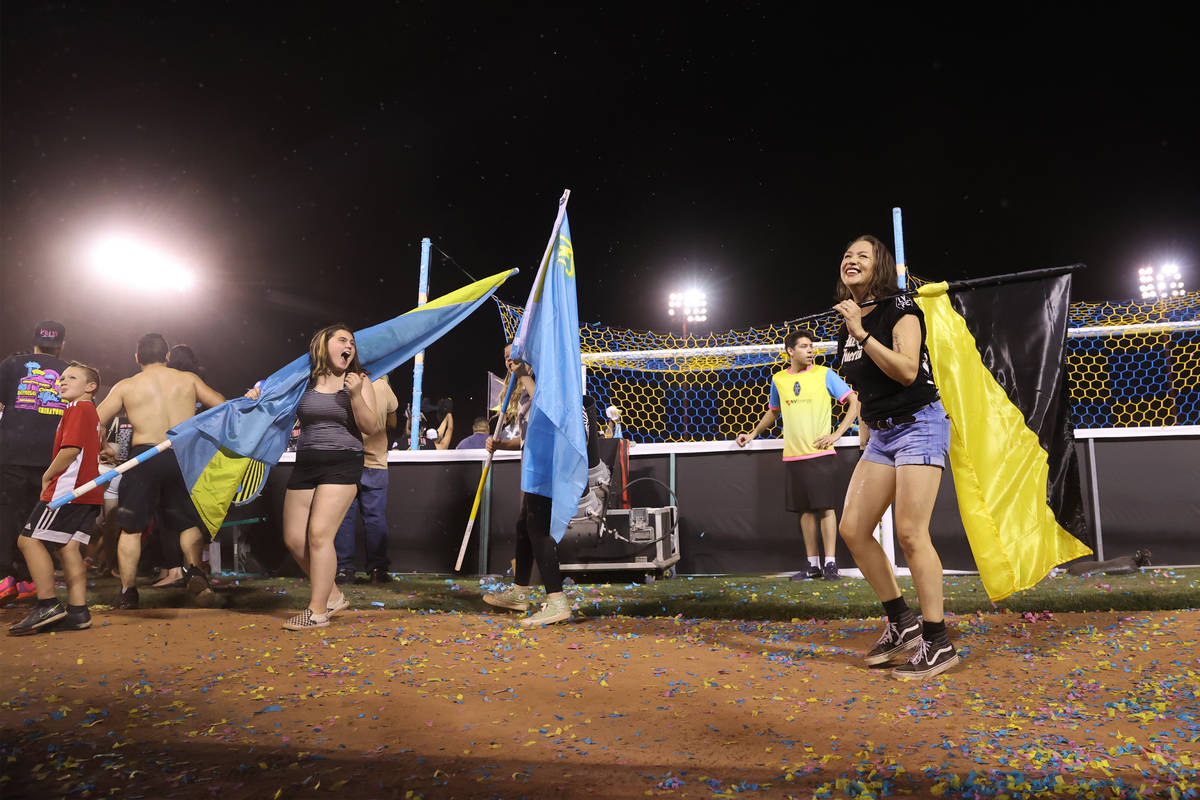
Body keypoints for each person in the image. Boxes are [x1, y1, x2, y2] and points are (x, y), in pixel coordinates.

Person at [831, 234, 959, 681]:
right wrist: (866, 437)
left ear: (879, 266)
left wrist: (861, 332)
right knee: (853, 528)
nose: (852, 260)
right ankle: (902, 621)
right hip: (882, 436)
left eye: (862, 256)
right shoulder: (847, 322)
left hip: (919, 422)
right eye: (847, 255)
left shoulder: (900, 309)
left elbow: (906, 371)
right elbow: (864, 389)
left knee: (909, 533)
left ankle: (938, 641)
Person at [248, 324, 378, 630]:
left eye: (352, 342)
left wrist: (356, 394)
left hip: (343, 461)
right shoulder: (302, 382)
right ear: (323, 344)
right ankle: (332, 594)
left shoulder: (359, 380)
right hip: (307, 462)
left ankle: (317, 611)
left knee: (319, 535)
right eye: (342, 340)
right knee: (294, 539)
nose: (349, 346)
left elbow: (371, 427)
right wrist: (257, 394)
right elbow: (272, 405)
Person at [96, 333, 225, 609]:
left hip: (144, 457)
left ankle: (128, 592)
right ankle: (194, 570)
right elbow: (222, 406)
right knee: (187, 522)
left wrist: (104, 444)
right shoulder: (187, 379)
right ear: (167, 356)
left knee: (130, 530)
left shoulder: (127, 385)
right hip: (181, 454)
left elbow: (94, 420)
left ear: (136, 358)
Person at [736, 328, 860, 581]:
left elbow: (855, 401)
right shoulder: (779, 379)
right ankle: (812, 565)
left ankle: (831, 564)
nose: (810, 350)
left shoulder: (825, 374)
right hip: (793, 455)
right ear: (790, 351)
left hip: (820, 455)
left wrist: (837, 434)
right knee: (804, 511)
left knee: (825, 509)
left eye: (811, 346)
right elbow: (773, 412)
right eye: (804, 346)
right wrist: (752, 434)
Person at [480, 344, 577, 628]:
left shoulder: (542, 384)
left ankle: (557, 600)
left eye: (516, 353)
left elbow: (548, 416)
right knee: (525, 527)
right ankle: (520, 592)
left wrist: (524, 376)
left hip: (548, 468)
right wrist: (501, 444)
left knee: (537, 530)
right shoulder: (524, 393)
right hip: (534, 468)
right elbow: (526, 440)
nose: (509, 358)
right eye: (506, 354)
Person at [8, 363, 104, 635]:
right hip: (87, 491)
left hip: (67, 490)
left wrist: (47, 476)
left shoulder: (76, 409)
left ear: (90, 386)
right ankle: (77, 611)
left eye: (71, 378)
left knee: (28, 540)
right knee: (68, 548)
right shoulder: (90, 412)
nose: (62, 382)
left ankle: (47, 604)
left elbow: (70, 450)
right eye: (61, 378)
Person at [0, 321, 70, 605]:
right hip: (52, 457)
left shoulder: (12, 364)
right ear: (62, 344)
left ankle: (5, 578)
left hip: (13, 452)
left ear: (34, 341)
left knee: (7, 514)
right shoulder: (71, 370)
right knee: (38, 518)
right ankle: (29, 580)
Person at [333, 374, 398, 585]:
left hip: (347, 460)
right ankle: (378, 569)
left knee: (344, 517)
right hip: (376, 462)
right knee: (375, 518)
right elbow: (392, 421)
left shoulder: (341, 383)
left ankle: (344, 570)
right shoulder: (382, 385)